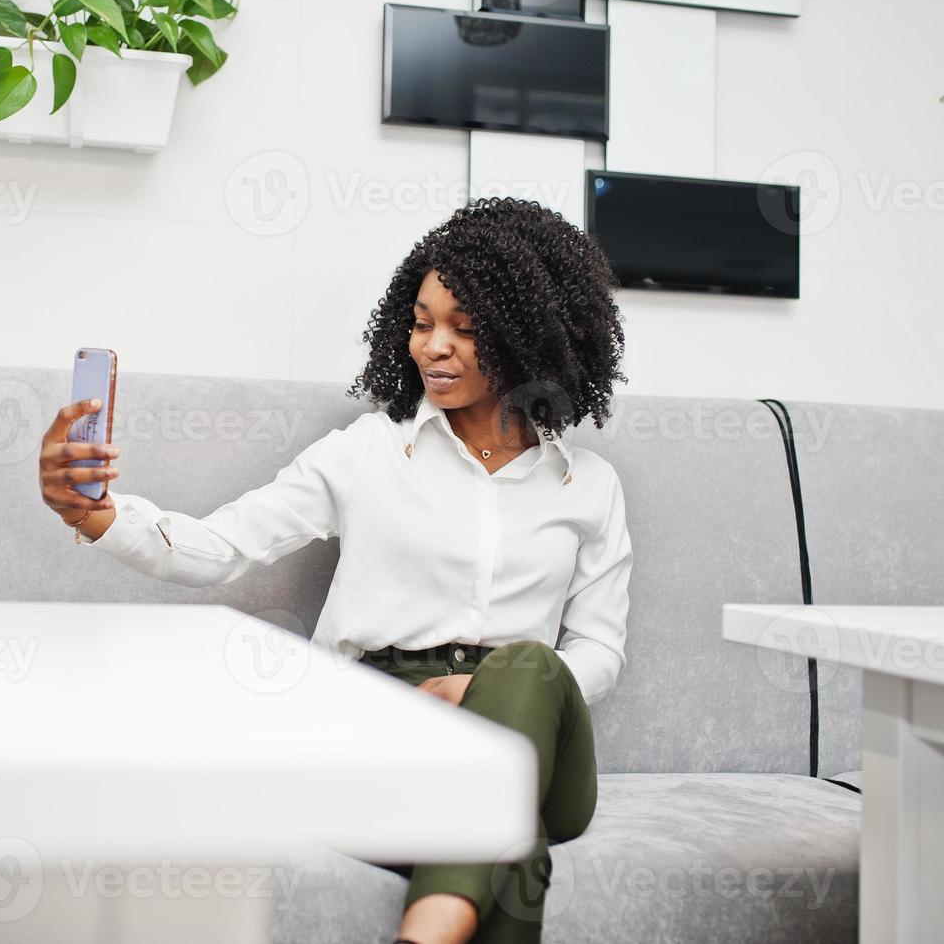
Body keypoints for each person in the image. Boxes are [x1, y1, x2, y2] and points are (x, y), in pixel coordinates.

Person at [37, 196, 633, 944]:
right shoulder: (366, 452)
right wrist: (89, 512)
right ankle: (432, 924)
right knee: (509, 840)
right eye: (420, 323)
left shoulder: (590, 488)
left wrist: (483, 691)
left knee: (530, 669)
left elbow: (599, 649)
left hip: (534, 733)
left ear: (529, 335)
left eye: (466, 329)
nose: (433, 348)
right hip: (379, 731)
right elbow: (220, 548)